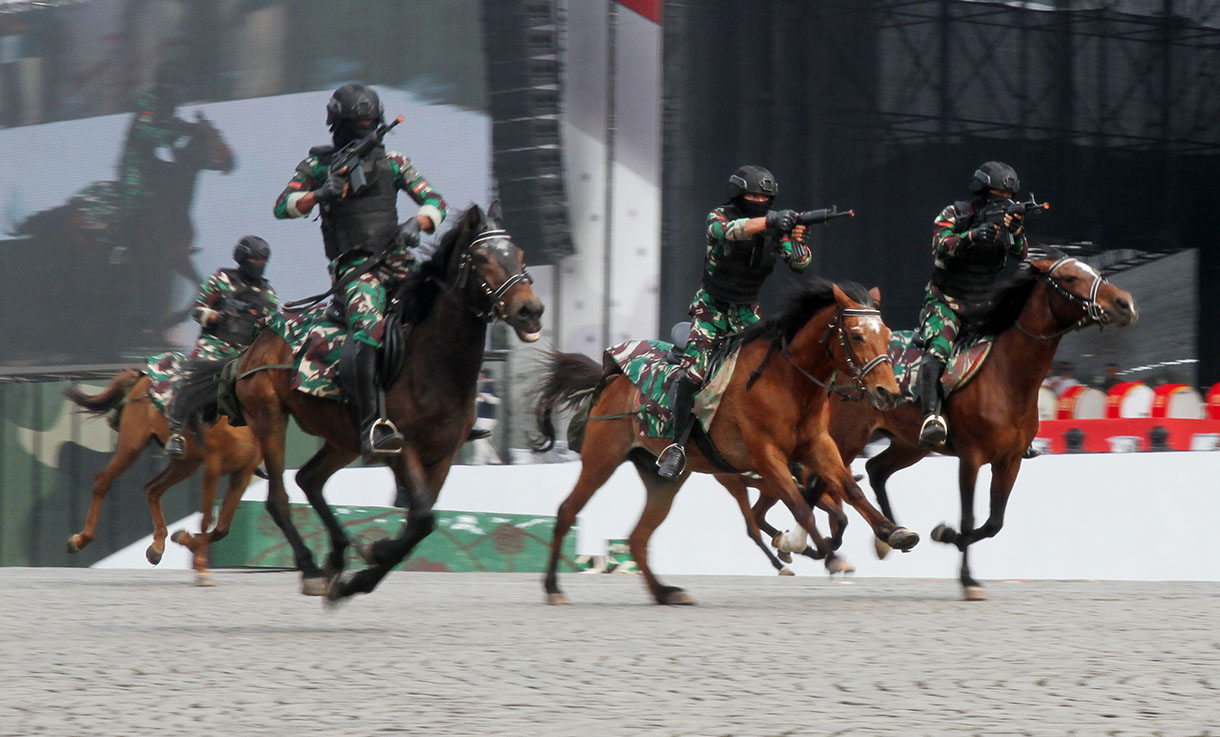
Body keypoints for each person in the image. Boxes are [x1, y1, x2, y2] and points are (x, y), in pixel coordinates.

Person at [273, 83, 447, 458]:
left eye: (371, 121)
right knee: (370, 328)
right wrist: (319, 194)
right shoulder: (317, 165)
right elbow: (283, 206)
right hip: (354, 269)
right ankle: (372, 426)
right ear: (340, 123)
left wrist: (418, 223)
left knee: (445, 307)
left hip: (398, 259)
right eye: (358, 122)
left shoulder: (395, 162)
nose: (366, 127)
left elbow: (435, 201)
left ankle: (450, 411)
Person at [655, 165, 810, 479]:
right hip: (711, 311)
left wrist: (794, 238)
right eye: (753, 194)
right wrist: (770, 220)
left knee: (768, 374)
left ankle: (784, 450)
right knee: (695, 373)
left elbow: (801, 264)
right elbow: (728, 232)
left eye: (765, 197)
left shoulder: (773, 227)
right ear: (738, 194)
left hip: (746, 314)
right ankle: (677, 447)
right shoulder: (719, 216)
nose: (759, 200)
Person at [917, 161, 1028, 447]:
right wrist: (971, 236)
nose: (1003, 204)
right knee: (938, 350)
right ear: (981, 193)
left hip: (984, 307)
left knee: (1013, 354)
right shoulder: (954, 213)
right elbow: (940, 245)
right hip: (945, 303)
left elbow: (1021, 253)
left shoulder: (1007, 220)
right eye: (996, 198)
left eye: (1007, 199)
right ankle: (931, 418)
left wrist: (1013, 230)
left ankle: (1018, 426)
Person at [166, 236, 279, 457]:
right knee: (193, 381)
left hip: (245, 353)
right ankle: (176, 434)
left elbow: (270, 326)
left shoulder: (268, 294)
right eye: (254, 261)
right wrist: (217, 316)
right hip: (215, 345)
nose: (259, 266)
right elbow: (197, 311)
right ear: (242, 259)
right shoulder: (221, 279)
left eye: (262, 261)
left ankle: (257, 451)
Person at [471, 370, 502, 465]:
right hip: (483, 417)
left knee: (481, 439)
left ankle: (482, 460)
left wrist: (486, 397)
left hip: (487, 418)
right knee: (484, 439)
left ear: (484, 376)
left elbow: (497, 400)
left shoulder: (491, 385)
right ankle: (493, 459)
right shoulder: (485, 386)